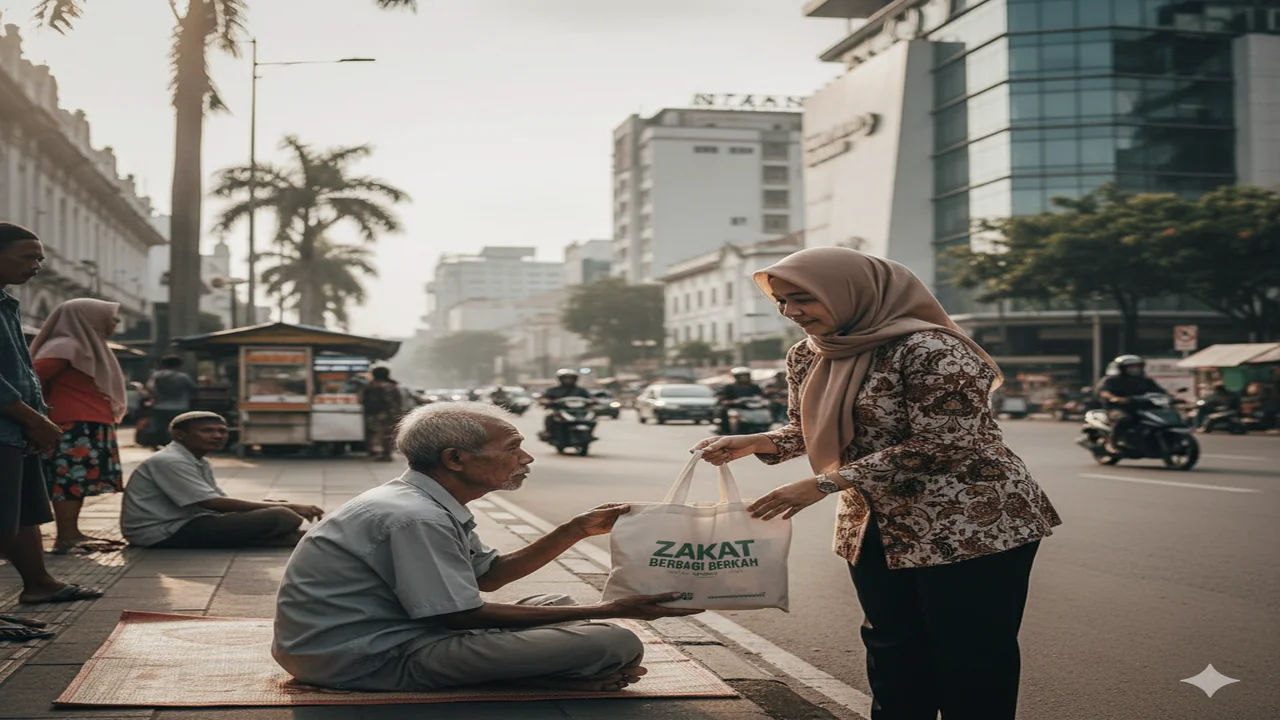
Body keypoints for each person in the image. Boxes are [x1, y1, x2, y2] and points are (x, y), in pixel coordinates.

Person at [691, 247, 1061, 720]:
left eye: (804, 298)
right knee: (891, 648)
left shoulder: (933, 349)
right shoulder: (809, 353)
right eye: (781, 301)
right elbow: (811, 427)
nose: (791, 312)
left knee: (971, 655)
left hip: (971, 522)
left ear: (851, 293)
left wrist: (825, 484)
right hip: (876, 524)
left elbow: (947, 441)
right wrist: (759, 441)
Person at [272, 402, 700, 692]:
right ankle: (540, 679)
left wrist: (575, 529)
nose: (526, 459)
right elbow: (461, 616)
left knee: (557, 601)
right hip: (367, 658)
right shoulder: (415, 516)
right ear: (456, 459)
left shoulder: (426, 502)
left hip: (392, 638)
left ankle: (543, 671)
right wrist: (609, 611)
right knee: (612, 642)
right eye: (513, 448)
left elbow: (490, 576)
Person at [0, 223, 103, 619]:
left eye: (40, 258)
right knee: (2, 520)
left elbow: (22, 371)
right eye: (28, 256)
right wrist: (32, 418)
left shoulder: (6, 303)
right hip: (7, 425)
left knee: (24, 514)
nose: (37, 265)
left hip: (17, 429)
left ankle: (38, 584)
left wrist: (36, 419)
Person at [121, 411, 324, 548]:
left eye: (222, 431)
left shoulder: (198, 460)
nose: (218, 436)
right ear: (179, 435)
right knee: (283, 516)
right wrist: (290, 507)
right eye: (207, 431)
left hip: (188, 522)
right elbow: (213, 503)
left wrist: (273, 505)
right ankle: (267, 537)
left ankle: (267, 538)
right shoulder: (170, 460)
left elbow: (218, 500)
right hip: (159, 532)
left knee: (280, 516)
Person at [30, 298, 128, 555]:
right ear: (86, 317)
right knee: (69, 480)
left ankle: (70, 532)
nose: (115, 322)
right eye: (110, 316)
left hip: (86, 422)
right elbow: (32, 380)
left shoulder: (86, 345)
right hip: (71, 424)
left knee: (77, 480)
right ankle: (66, 536)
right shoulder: (66, 345)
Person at [1097, 355, 1166, 450]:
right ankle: (1113, 441)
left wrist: (1173, 397)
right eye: (1131, 367)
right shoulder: (1111, 380)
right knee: (1124, 419)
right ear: (1122, 368)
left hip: (1143, 407)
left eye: (1137, 366)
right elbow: (1104, 392)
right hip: (1119, 408)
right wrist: (1116, 398)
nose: (1135, 369)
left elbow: (1160, 392)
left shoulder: (1145, 380)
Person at [144, 355, 197, 448]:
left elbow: (149, 388)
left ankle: (159, 444)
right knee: (177, 427)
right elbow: (193, 389)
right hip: (179, 406)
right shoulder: (183, 377)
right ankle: (175, 445)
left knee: (160, 427)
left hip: (159, 406)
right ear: (179, 365)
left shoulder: (157, 375)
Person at [361, 367, 404, 462]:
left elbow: (367, 401)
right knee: (387, 434)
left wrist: (383, 412)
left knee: (377, 433)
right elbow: (397, 402)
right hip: (389, 414)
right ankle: (385, 453)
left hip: (379, 414)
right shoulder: (392, 385)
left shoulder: (373, 386)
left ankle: (383, 454)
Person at [541, 368, 591, 440]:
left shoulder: (581, 390)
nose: (568, 380)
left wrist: (593, 401)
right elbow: (545, 398)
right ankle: (548, 432)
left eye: (570, 378)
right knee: (549, 416)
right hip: (560, 410)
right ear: (560, 379)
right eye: (566, 378)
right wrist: (546, 401)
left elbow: (590, 398)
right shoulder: (553, 390)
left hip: (578, 411)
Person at [716, 367, 764, 432]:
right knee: (725, 412)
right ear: (736, 377)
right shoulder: (729, 387)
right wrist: (727, 401)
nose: (744, 378)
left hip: (752, 408)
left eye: (746, 376)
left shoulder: (754, 387)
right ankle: (725, 430)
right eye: (742, 376)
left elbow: (761, 395)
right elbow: (722, 397)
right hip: (735, 408)